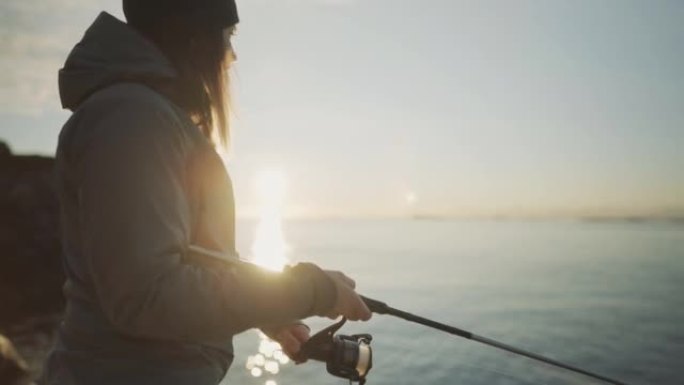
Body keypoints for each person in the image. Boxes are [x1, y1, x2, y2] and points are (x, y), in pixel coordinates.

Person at [42, 1, 371, 384]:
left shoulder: (152, 116)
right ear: (194, 37)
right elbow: (147, 294)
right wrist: (306, 290)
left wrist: (267, 312)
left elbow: (195, 258)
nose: (231, 56)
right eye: (227, 37)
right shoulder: (132, 117)